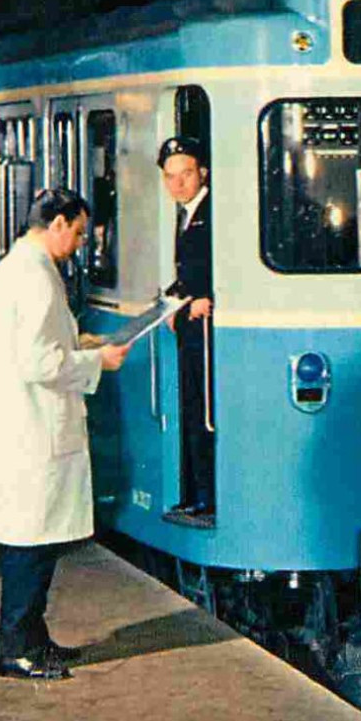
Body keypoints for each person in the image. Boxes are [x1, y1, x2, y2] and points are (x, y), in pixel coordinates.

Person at [0, 188, 130, 681]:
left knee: (36, 539)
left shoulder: (19, 269)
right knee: (30, 543)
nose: (79, 242)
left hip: (27, 424)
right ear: (56, 223)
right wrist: (95, 359)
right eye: (78, 231)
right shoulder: (34, 277)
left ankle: (33, 639)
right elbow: (37, 362)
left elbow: (33, 344)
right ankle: (14, 649)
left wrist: (77, 342)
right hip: (33, 428)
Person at [158, 135, 215, 520]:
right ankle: (196, 493)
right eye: (170, 176)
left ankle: (205, 496)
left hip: (207, 332)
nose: (178, 184)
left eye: (187, 174)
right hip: (192, 328)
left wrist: (201, 298)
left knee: (202, 411)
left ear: (203, 173)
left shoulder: (213, 213)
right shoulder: (188, 212)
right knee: (192, 409)